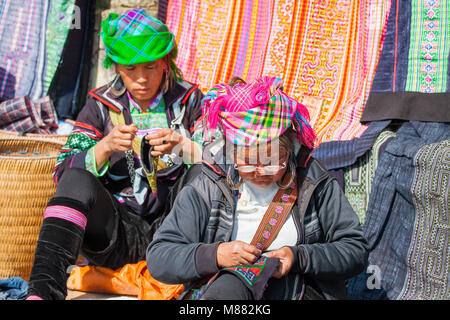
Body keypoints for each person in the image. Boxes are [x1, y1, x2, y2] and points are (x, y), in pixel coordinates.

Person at [26, 8, 204, 300]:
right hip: (117, 236)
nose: (141, 79)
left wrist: (184, 147)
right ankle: (43, 292)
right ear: (117, 67)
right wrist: (104, 147)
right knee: (75, 177)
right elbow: (61, 171)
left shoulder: (190, 100)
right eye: (130, 69)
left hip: (176, 236)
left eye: (150, 67)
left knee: (202, 172)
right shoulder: (99, 104)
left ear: (165, 62)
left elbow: (226, 162)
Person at [147, 76, 369, 300]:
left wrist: (299, 257)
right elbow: (159, 257)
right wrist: (215, 255)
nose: (260, 172)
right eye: (248, 162)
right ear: (232, 154)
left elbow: (355, 250)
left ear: (289, 150)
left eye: (273, 162)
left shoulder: (313, 179)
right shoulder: (208, 183)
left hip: (298, 292)